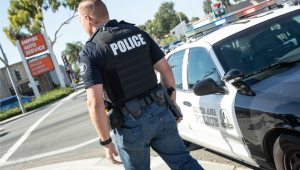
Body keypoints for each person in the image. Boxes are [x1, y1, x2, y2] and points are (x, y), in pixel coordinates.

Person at [77, 0, 203, 169]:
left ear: (88, 19)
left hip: (130, 124)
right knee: (185, 164)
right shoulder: (136, 32)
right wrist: (172, 104)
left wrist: (106, 142)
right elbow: (166, 71)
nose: (82, 26)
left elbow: (95, 102)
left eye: (80, 22)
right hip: (160, 110)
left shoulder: (91, 50)